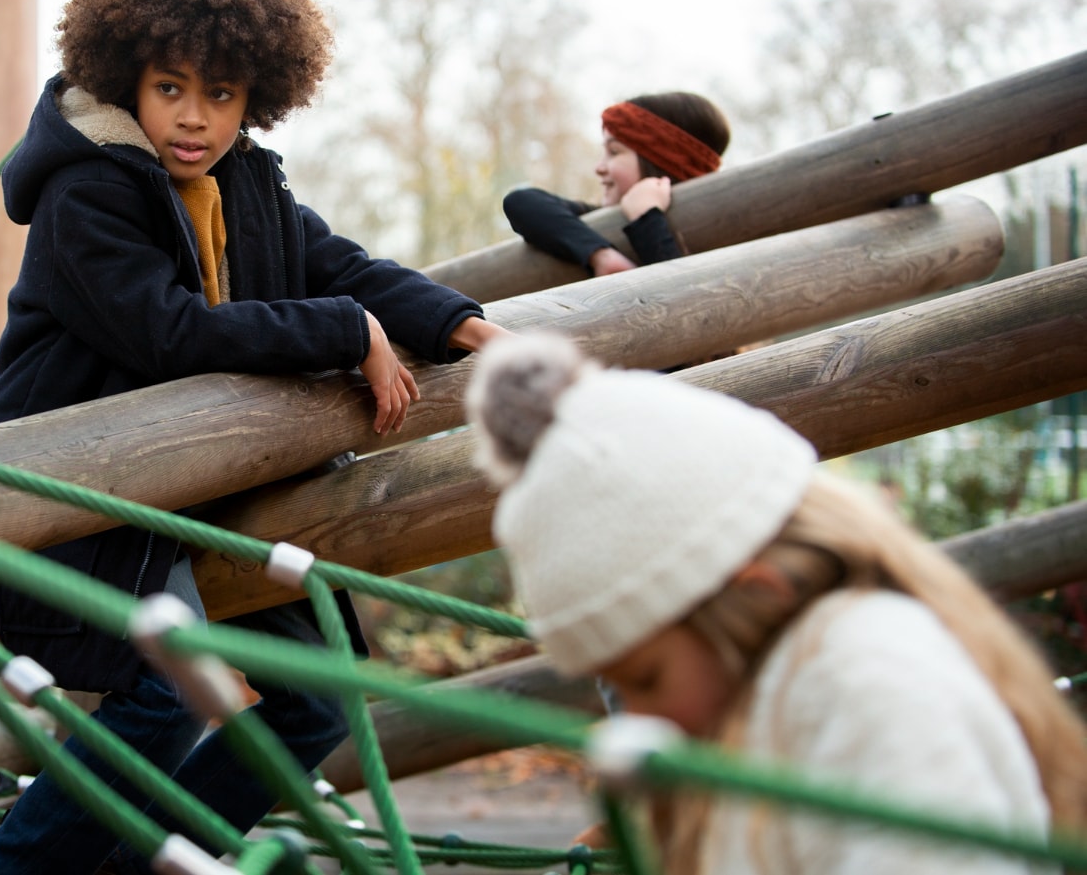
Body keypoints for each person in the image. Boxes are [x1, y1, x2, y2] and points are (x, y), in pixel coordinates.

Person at [0, 0, 509, 875]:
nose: (194, 118)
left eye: (220, 93)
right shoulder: (87, 194)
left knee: (318, 700)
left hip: (202, 495)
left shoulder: (246, 180)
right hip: (89, 492)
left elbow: (338, 265)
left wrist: (468, 328)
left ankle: (157, 860)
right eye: (170, 89)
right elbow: (168, 334)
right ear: (129, 80)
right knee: (162, 691)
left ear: (257, 96)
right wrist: (343, 330)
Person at [464, 333, 1087, 875]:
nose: (638, 719)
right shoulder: (763, 714)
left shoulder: (870, 682)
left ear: (757, 595)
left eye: (648, 680)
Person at [502, 92, 730, 278]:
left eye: (614, 152)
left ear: (661, 163)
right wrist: (602, 257)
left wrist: (647, 219)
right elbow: (522, 203)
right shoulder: (601, 223)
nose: (599, 167)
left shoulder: (723, 240)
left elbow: (687, 305)